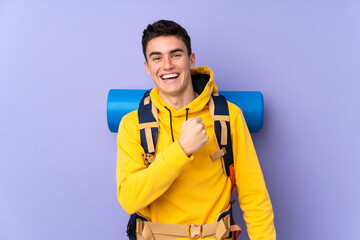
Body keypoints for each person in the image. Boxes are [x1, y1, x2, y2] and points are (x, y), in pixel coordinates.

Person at [116, 20, 276, 240]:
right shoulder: (132, 124)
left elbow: (254, 198)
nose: (167, 65)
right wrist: (181, 150)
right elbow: (129, 200)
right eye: (157, 58)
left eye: (176, 54)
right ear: (147, 67)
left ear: (191, 60)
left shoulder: (228, 116)